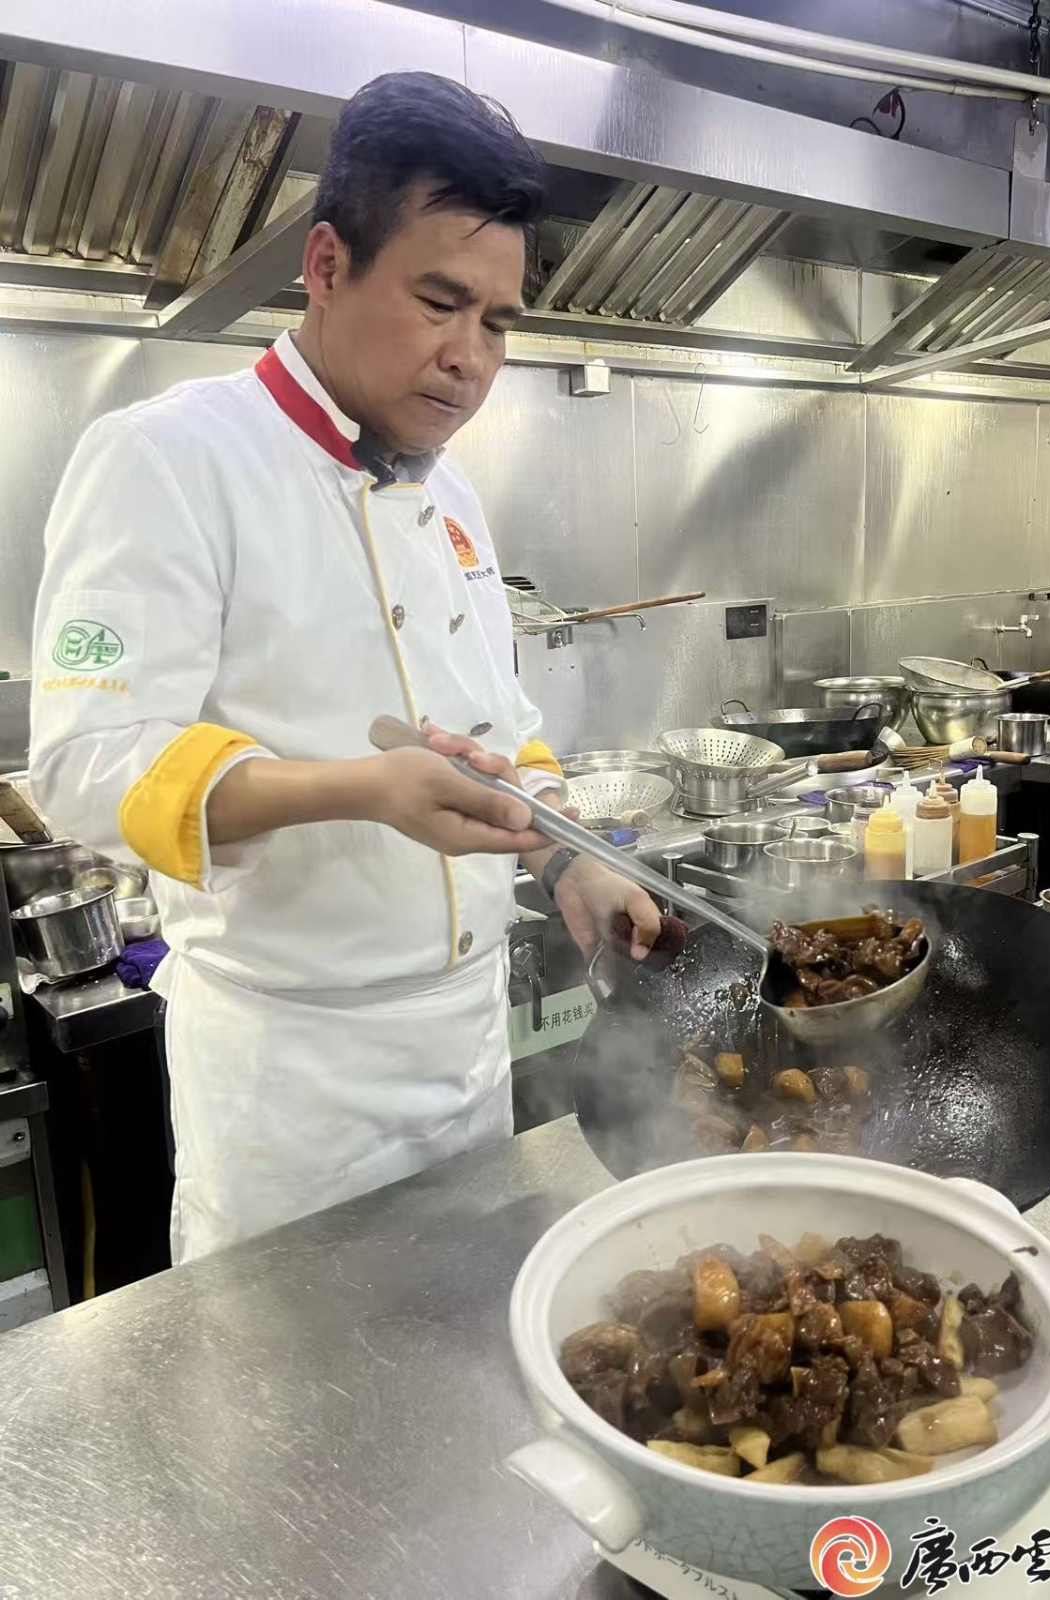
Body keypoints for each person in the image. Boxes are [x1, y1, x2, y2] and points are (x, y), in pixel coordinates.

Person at [29, 72, 661, 1263]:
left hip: (463, 1058)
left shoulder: (451, 494)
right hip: (292, 1093)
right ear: (326, 264)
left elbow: (501, 731)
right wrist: (359, 789)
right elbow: (84, 765)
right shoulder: (170, 458)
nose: (469, 358)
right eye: (439, 302)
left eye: (498, 322)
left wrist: (566, 858)